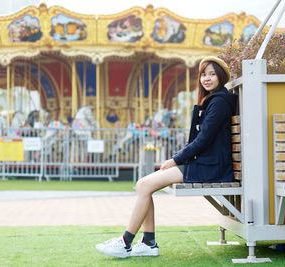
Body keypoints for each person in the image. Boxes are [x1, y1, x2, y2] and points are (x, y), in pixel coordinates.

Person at [95, 56, 238, 258]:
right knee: (144, 185)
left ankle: (126, 242)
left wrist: (175, 159)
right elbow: (200, 139)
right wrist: (179, 157)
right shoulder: (214, 101)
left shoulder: (219, 103)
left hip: (210, 165)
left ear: (221, 76)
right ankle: (147, 242)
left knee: (144, 185)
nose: (207, 79)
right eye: (204, 74)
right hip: (206, 162)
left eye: (212, 74)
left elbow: (203, 140)